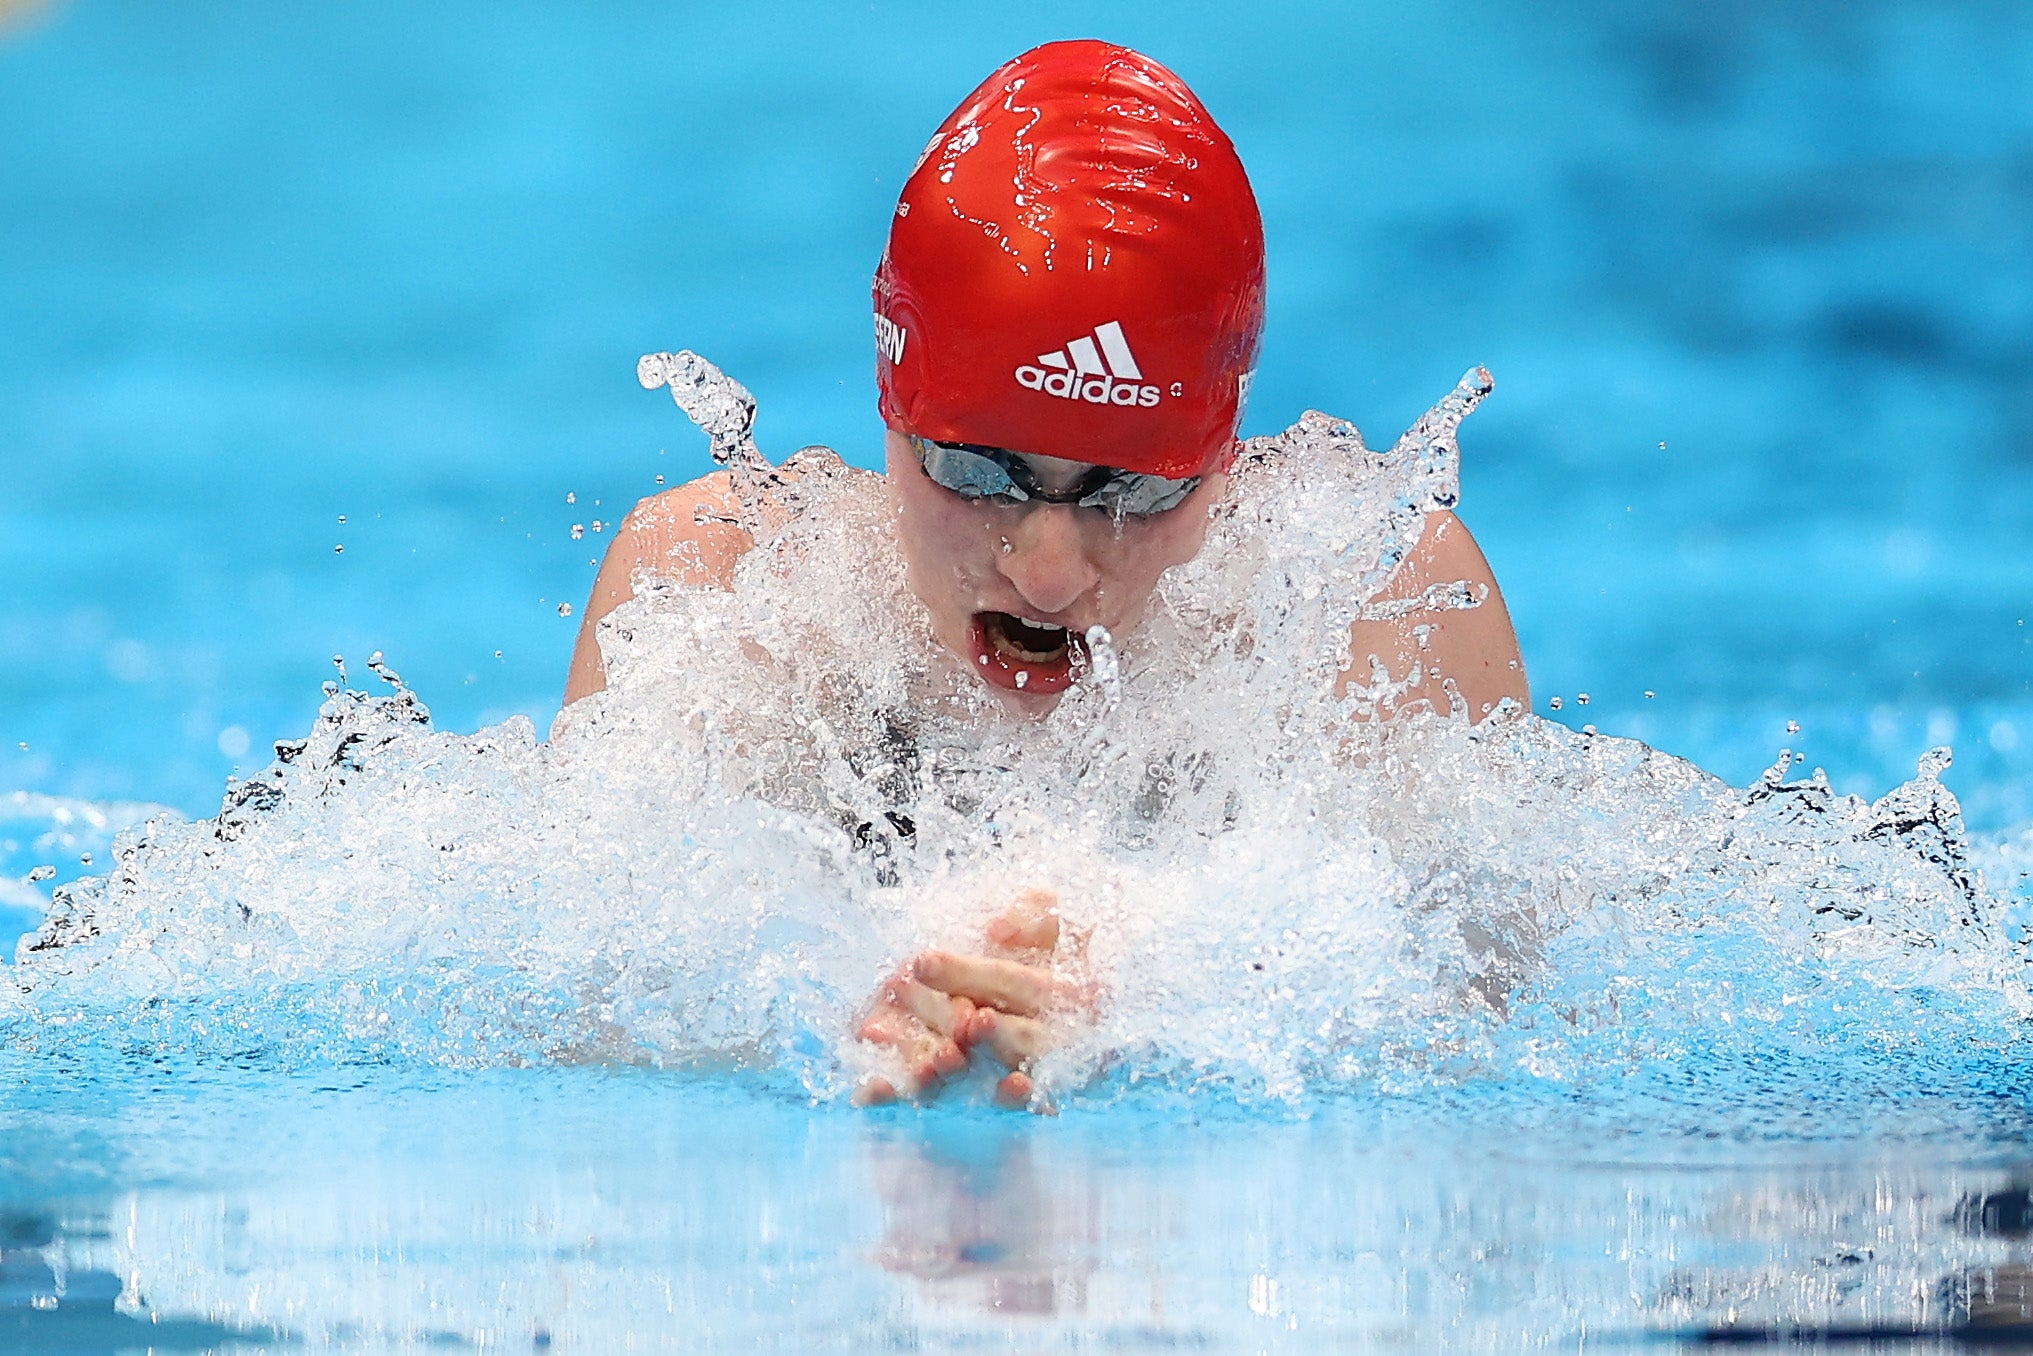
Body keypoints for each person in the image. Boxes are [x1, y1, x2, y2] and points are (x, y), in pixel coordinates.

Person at [563, 40, 1528, 1109]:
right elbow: (586, 1032)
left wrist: (1166, 1012)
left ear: (1220, 459)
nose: (1050, 573)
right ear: (892, 415)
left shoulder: (1376, 604)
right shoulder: (727, 601)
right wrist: (823, 1029)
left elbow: (1491, 1055)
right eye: (978, 473)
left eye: (1137, 492)